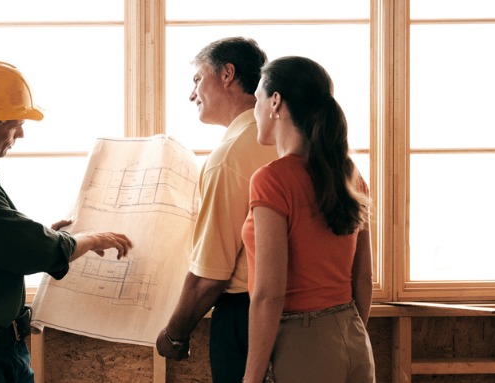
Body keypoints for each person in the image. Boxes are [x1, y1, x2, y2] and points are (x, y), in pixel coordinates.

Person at [0, 61, 134, 383]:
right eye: (14, 125)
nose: (21, 134)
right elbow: (35, 252)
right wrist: (91, 239)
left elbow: (1, 240)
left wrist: (42, 236)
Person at [241, 56, 374, 383]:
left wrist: (251, 378)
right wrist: (345, 333)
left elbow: (269, 294)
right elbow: (364, 279)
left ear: (276, 102)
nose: (254, 110)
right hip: (354, 339)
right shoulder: (350, 174)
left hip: (302, 343)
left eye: (257, 98)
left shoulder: (272, 179)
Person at [153, 37, 274, 383]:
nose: (192, 95)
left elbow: (211, 274)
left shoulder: (230, 156)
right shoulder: (289, 137)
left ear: (227, 74)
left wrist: (174, 334)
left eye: (196, 80)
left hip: (244, 318)